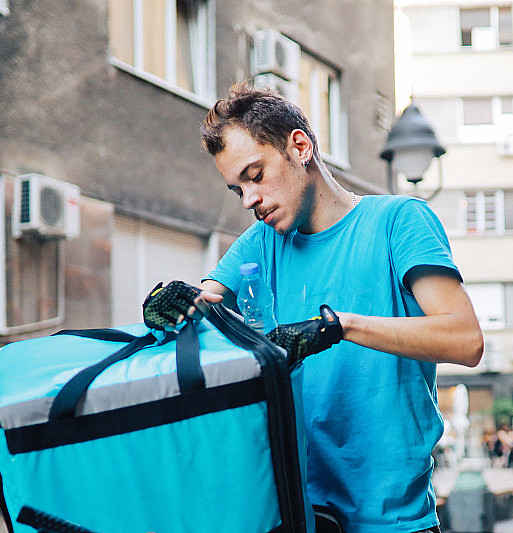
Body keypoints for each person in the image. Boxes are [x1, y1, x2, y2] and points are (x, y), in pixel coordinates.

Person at [193, 82, 484, 533]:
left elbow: (465, 339)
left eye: (255, 174)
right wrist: (174, 304)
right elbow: (201, 307)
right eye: (237, 189)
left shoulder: (398, 222)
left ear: (300, 146)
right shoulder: (261, 242)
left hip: (391, 522)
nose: (249, 199)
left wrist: (338, 326)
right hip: (295, 516)